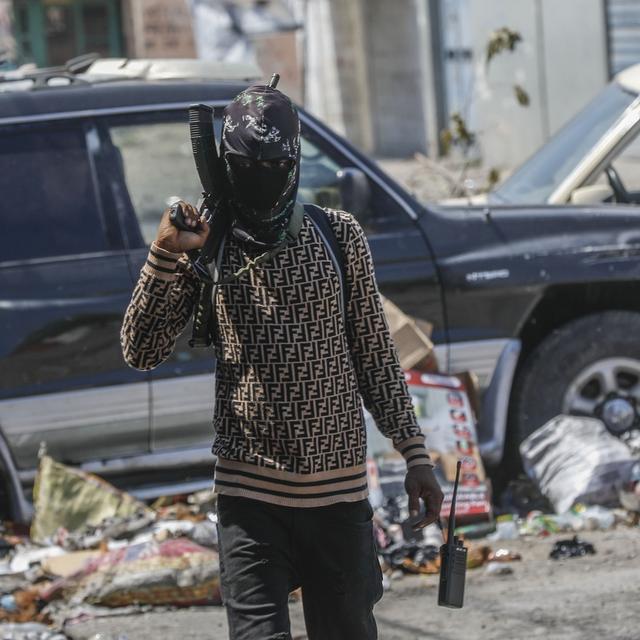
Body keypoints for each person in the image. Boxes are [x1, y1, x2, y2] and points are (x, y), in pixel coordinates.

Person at [120, 82, 443, 640]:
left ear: (294, 161)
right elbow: (140, 350)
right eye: (251, 163)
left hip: (338, 501)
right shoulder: (208, 246)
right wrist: (166, 256)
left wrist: (415, 454)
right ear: (227, 163)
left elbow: (375, 355)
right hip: (250, 503)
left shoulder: (338, 237)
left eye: (278, 162)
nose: (266, 172)